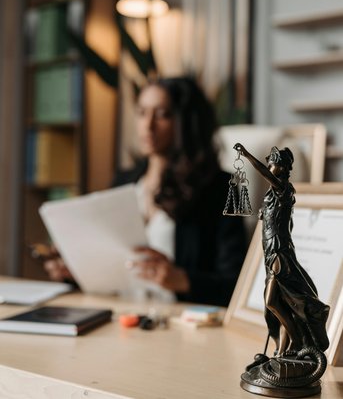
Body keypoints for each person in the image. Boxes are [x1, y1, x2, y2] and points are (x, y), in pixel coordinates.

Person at [44, 77, 247, 306]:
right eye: (142, 112)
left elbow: (237, 285)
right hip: (117, 315)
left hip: (176, 324)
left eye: (162, 114)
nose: (148, 125)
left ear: (185, 123)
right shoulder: (124, 182)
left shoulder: (220, 189)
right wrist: (76, 271)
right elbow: (111, 267)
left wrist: (183, 280)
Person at [234, 143, 330, 355]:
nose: (269, 166)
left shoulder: (284, 188)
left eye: (272, 164)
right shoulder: (271, 195)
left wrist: (247, 154)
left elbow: (263, 173)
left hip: (280, 252)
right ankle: (283, 349)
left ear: (282, 168)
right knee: (280, 304)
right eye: (269, 163)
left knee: (272, 301)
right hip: (270, 252)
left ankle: (295, 339)